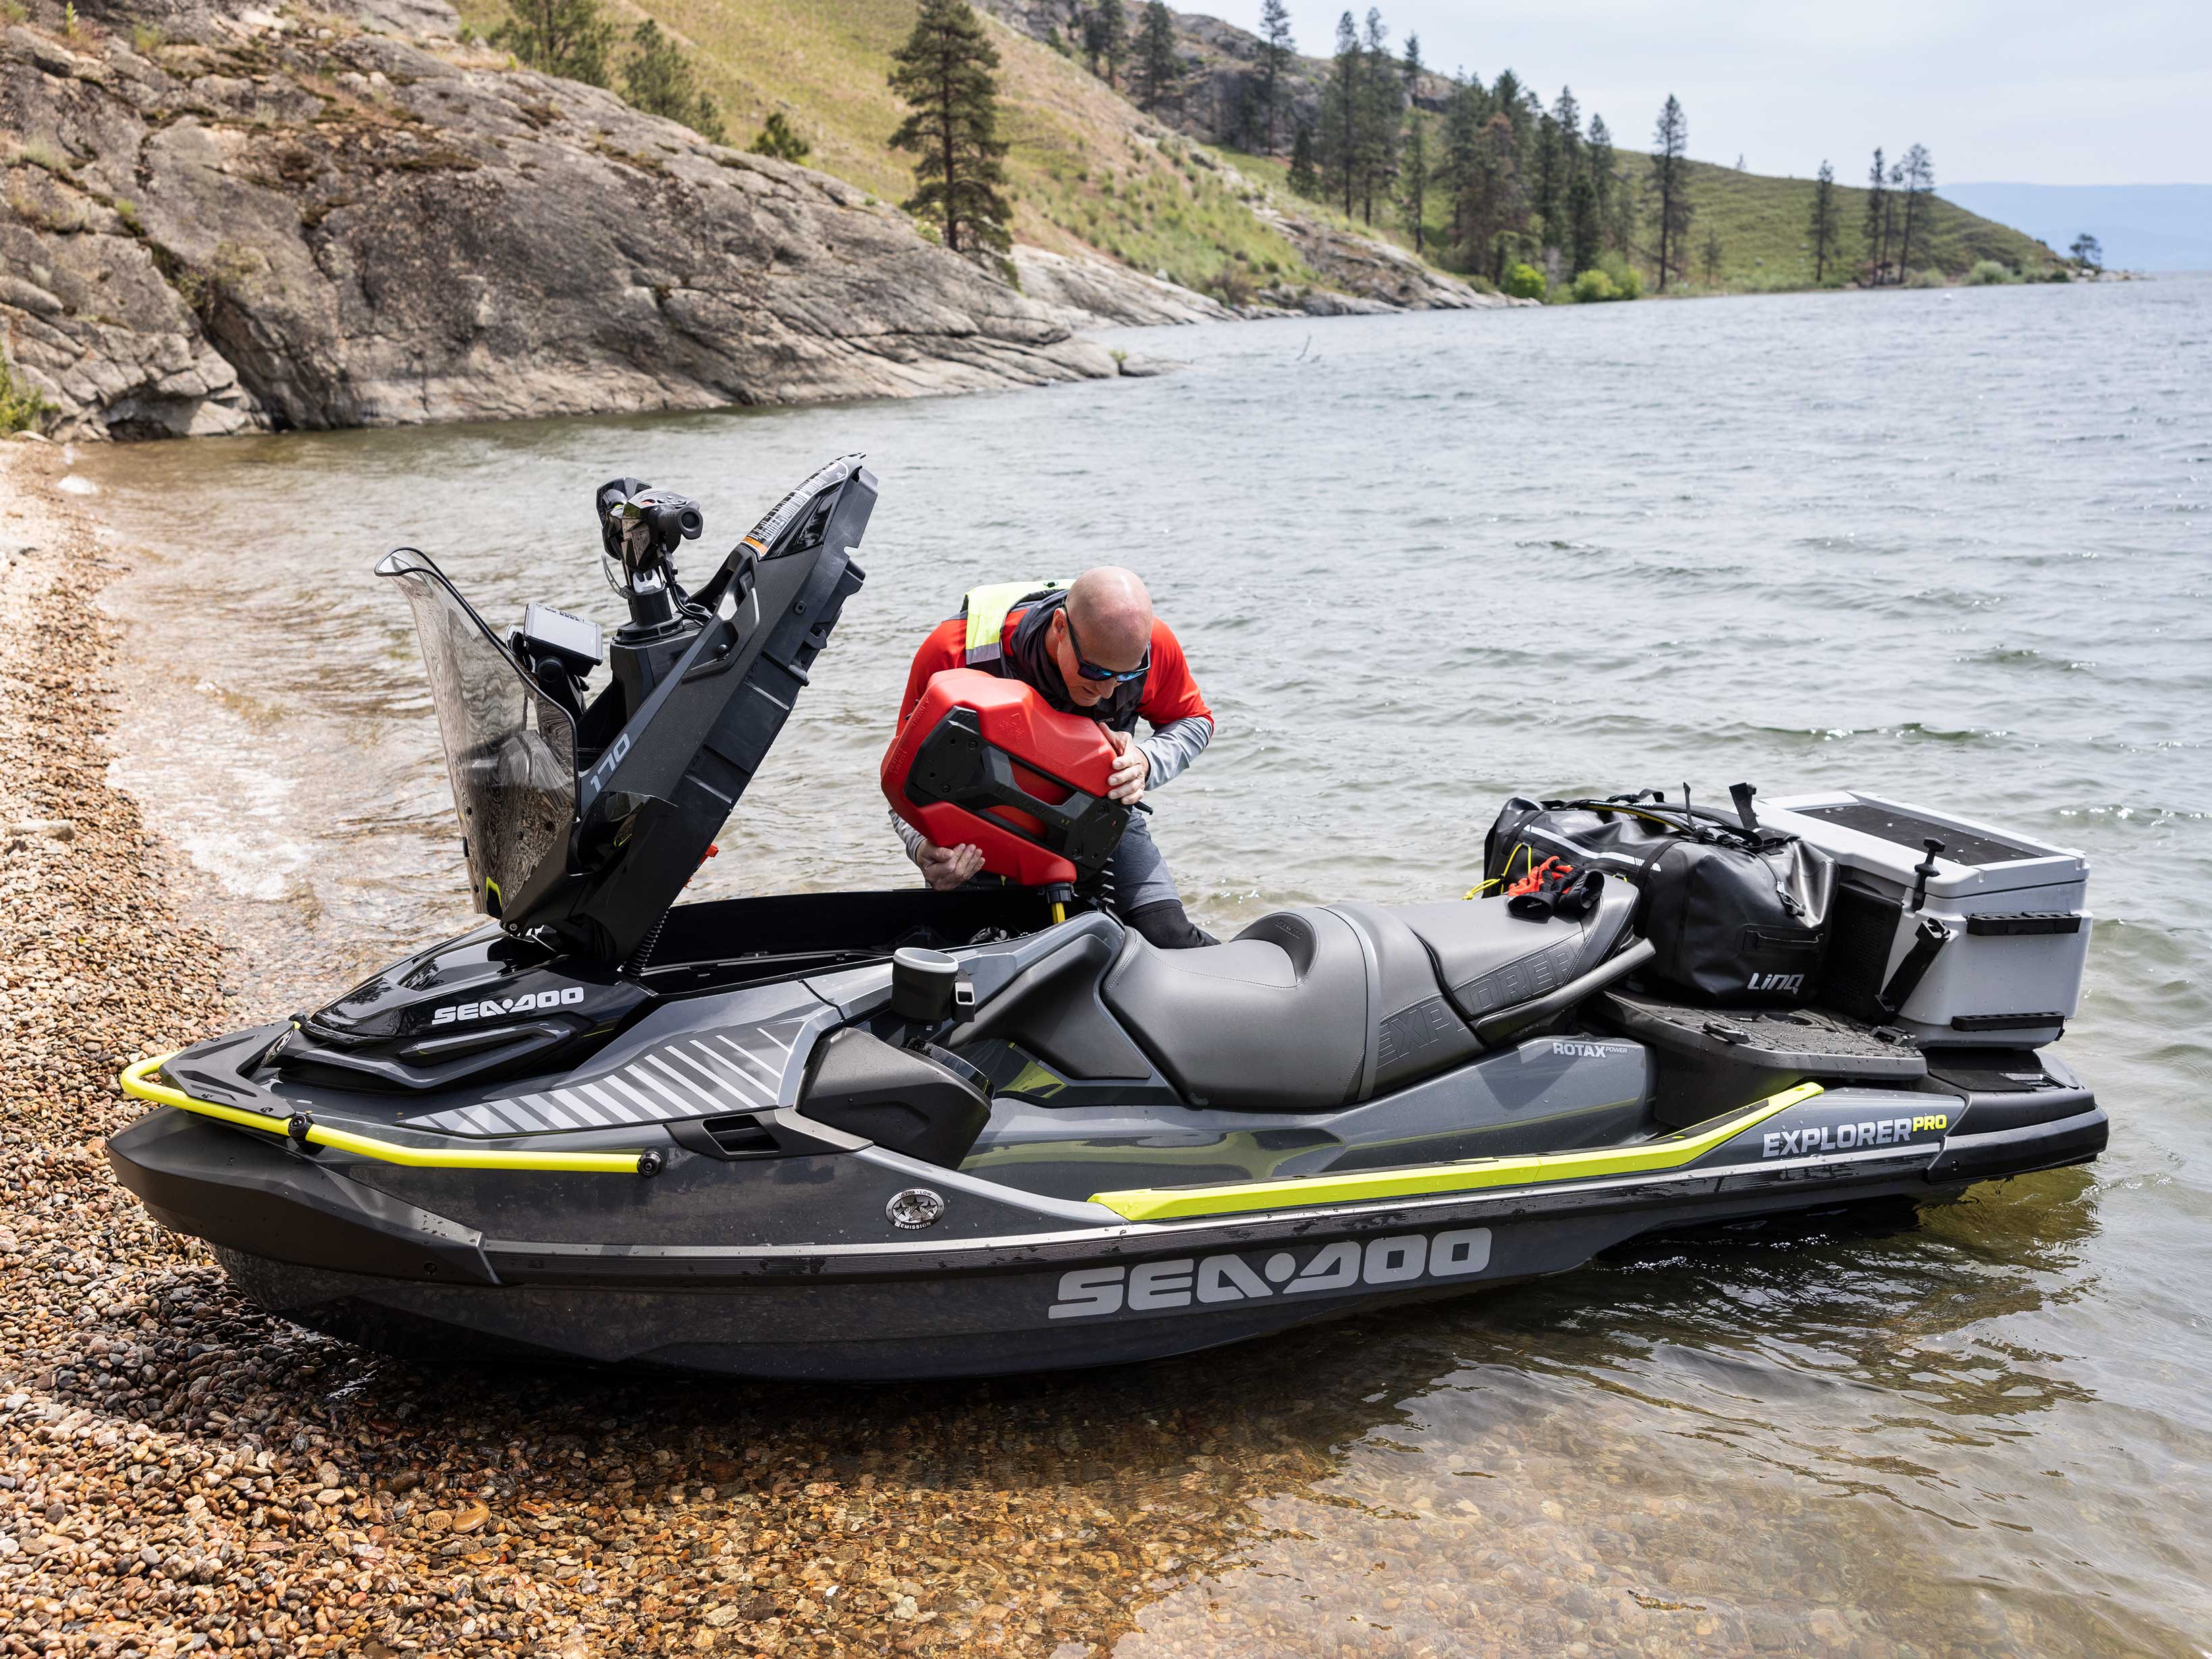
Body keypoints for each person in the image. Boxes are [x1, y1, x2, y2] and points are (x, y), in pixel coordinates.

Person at [891, 568, 1217, 949]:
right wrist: (923, 848)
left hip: (1099, 817)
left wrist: (1145, 761)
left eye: (1124, 676)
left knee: (1168, 938)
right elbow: (901, 776)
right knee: (967, 957)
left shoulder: (1147, 645)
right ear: (1060, 626)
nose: (1107, 690)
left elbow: (1195, 721)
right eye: (1095, 671)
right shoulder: (955, 652)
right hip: (982, 829)